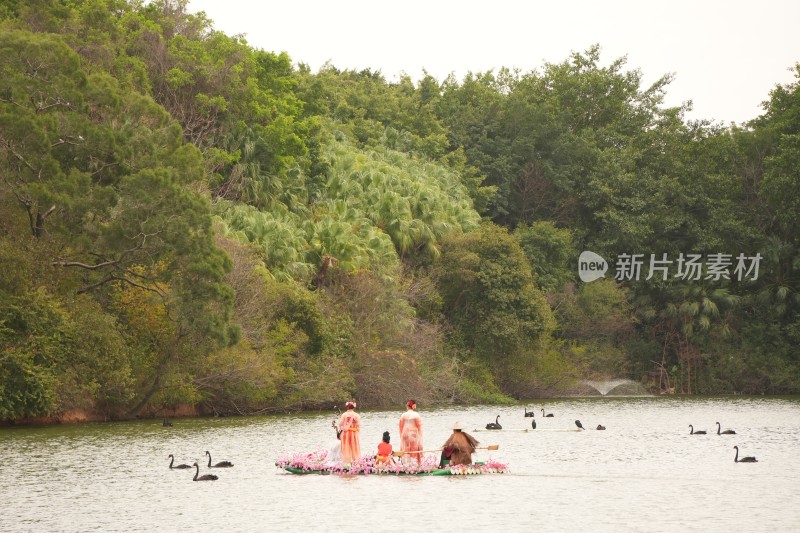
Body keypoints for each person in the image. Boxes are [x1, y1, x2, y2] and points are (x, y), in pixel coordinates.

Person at [398, 399, 423, 465]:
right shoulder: (416, 415)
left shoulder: (403, 415)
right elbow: (419, 427)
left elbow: (400, 426)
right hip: (413, 434)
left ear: (408, 406)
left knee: (406, 450)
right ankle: (414, 465)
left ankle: (406, 464)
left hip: (405, 434)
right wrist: (420, 437)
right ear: (413, 406)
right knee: (414, 450)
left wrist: (401, 436)